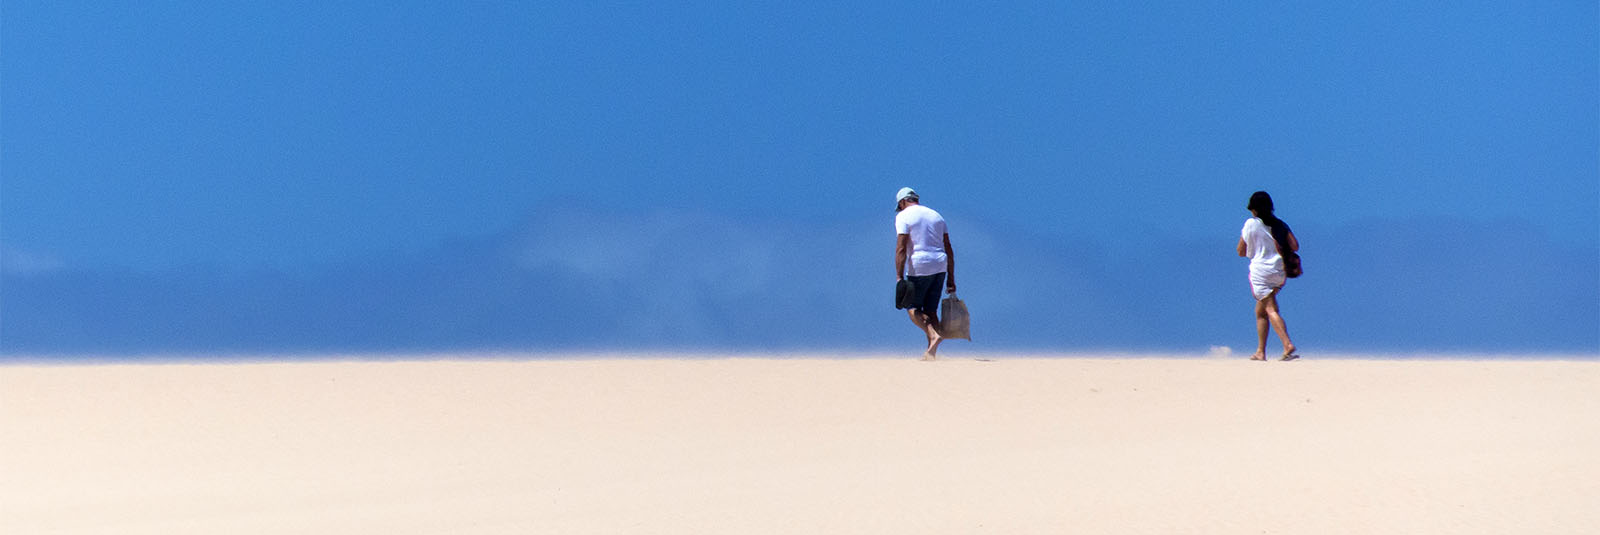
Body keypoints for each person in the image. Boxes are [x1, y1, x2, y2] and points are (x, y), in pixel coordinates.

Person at [1236, 191, 1300, 361]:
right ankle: (1260, 351)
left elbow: (1241, 251)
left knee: (1271, 309)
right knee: (1261, 310)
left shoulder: (1250, 224)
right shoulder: (1280, 224)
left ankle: (1287, 344)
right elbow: (1295, 245)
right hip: (1279, 271)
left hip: (1261, 272)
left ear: (1254, 209)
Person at [894, 187, 956, 360]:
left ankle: (933, 335)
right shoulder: (937, 216)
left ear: (902, 202)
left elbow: (901, 248)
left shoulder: (903, 216)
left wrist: (899, 277)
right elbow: (948, 249)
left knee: (911, 307)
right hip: (940, 264)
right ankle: (931, 353)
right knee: (931, 310)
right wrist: (951, 278)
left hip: (919, 265)